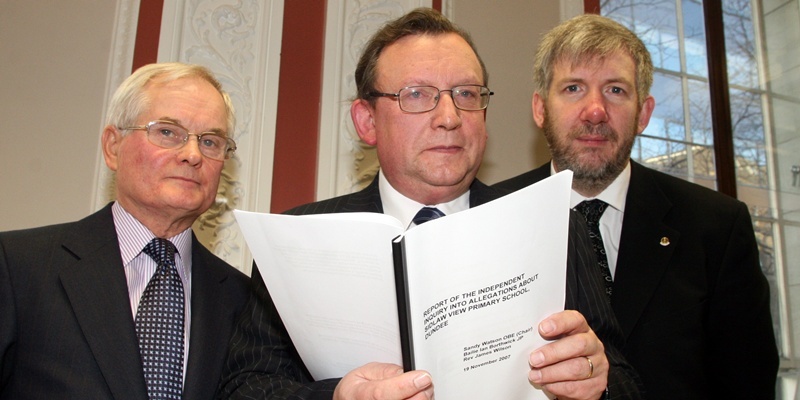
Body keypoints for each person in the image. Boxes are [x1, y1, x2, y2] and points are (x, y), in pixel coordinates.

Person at [217, 8, 642, 400]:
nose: (449, 116)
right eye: (417, 94)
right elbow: (245, 387)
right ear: (367, 121)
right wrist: (336, 397)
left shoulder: (552, 225)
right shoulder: (298, 240)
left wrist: (596, 381)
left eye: (467, 93)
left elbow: (624, 379)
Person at [494, 14, 779, 399]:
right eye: (574, 87)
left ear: (644, 114)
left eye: (615, 90)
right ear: (541, 108)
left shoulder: (717, 228)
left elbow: (748, 383)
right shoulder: (490, 215)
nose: (595, 111)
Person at [0, 62, 250, 399]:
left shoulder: (244, 300)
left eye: (210, 141)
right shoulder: (18, 266)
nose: (192, 155)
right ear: (113, 147)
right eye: (167, 132)